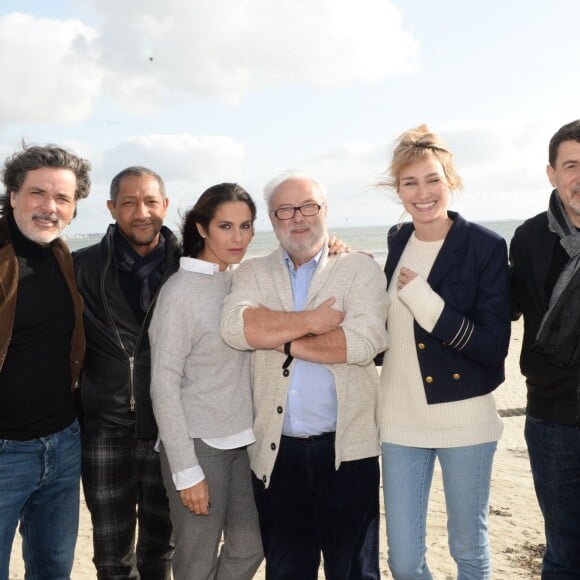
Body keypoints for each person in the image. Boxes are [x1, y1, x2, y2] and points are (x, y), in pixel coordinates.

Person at [221, 170, 389, 579]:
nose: (299, 217)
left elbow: (362, 343)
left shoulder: (361, 270)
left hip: (348, 451)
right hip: (278, 456)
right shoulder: (251, 273)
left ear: (325, 211)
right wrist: (314, 321)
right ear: (273, 219)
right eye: (285, 209)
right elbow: (236, 328)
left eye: (308, 206)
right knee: (287, 570)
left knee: (354, 571)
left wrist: (284, 341)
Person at [378, 125, 510, 579]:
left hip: (466, 421)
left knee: (468, 550)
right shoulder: (397, 240)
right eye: (410, 182)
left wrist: (426, 303)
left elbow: (493, 348)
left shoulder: (486, 247)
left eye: (432, 179)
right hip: (398, 421)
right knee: (404, 561)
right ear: (397, 189)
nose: (423, 192)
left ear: (450, 181)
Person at [148, 183, 264, 579]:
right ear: (201, 229)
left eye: (246, 226)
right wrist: (185, 469)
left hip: (247, 441)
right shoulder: (179, 293)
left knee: (251, 547)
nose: (238, 238)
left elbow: (294, 265)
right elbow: (163, 383)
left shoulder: (243, 280)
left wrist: (335, 249)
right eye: (226, 227)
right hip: (198, 446)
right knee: (195, 562)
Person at [74, 166, 178, 579]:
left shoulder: (191, 265)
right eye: (129, 202)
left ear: (165, 206)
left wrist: (332, 248)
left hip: (170, 430)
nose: (142, 212)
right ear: (111, 207)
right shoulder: (79, 266)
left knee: (160, 551)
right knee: (111, 558)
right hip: (104, 428)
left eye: (151, 201)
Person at [0, 144, 91, 579]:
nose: (49, 207)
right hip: (3, 451)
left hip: (62, 444)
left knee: (53, 569)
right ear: (13, 194)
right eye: (38, 193)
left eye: (63, 198)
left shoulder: (61, 255)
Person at [510, 119, 580, 578]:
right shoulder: (530, 239)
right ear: (552, 173)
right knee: (563, 553)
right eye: (572, 165)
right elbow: (496, 306)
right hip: (554, 421)